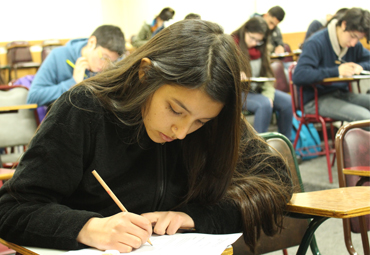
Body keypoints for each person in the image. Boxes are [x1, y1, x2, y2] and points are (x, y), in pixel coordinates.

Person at [0, 20, 293, 253]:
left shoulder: (213, 120)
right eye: (175, 110)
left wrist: (193, 218)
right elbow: (11, 209)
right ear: (145, 74)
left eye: (200, 121)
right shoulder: (84, 108)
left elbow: (276, 179)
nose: (181, 133)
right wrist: (86, 227)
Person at [293, 7, 370, 123]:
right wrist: (336, 71)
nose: (354, 43)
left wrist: (361, 66)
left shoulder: (353, 46)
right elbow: (299, 75)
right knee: (366, 118)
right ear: (344, 25)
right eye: (353, 36)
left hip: (341, 94)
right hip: (315, 99)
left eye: (359, 39)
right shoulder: (316, 42)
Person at [26, 25, 126, 108]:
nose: (105, 66)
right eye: (104, 57)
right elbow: (33, 97)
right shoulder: (58, 55)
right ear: (91, 43)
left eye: (111, 62)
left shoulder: (117, 62)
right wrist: (73, 82)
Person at [231, 17, 293, 140]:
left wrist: (269, 95)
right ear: (245, 31)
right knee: (263, 104)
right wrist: (235, 75)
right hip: (237, 92)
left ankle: (284, 145)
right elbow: (221, 75)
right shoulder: (231, 45)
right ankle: (258, 149)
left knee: (288, 102)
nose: (255, 43)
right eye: (252, 38)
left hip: (257, 90)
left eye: (258, 41)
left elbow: (268, 75)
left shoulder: (262, 48)